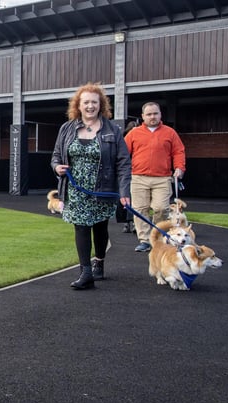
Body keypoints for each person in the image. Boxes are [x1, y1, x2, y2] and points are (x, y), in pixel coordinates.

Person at [50, 82, 131, 290]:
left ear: (101, 104)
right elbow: (56, 156)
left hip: (102, 188)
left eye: (94, 102)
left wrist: (124, 192)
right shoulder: (67, 128)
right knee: (81, 226)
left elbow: (123, 162)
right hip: (76, 189)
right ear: (78, 104)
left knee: (100, 227)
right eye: (86, 102)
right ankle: (85, 272)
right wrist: (57, 166)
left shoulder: (112, 129)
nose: (90, 106)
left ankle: (99, 261)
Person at [124, 102, 186, 252]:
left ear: (160, 114)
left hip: (162, 178)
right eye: (149, 114)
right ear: (143, 116)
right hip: (138, 177)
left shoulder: (170, 133)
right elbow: (124, 153)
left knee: (161, 208)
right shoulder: (134, 133)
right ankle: (144, 240)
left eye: (155, 113)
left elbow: (179, 151)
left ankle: (156, 236)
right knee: (140, 210)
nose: (152, 117)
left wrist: (179, 168)